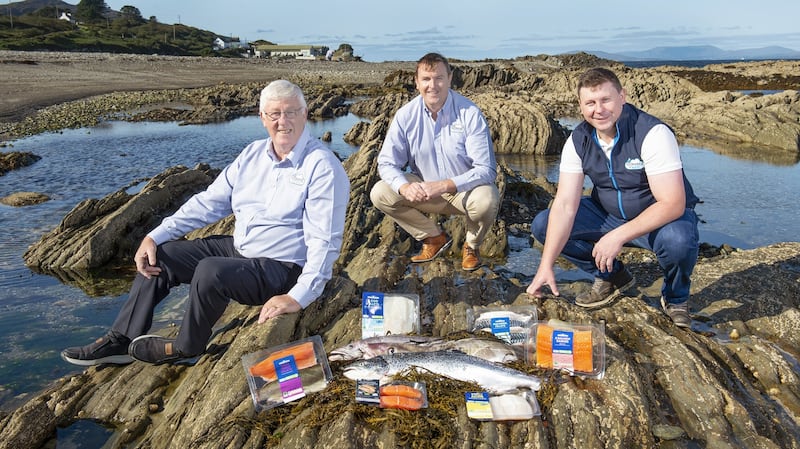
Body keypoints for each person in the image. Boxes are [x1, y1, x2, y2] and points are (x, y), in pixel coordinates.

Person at [61, 80, 350, 365]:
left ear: (306, 113)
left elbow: (323, 242)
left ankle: (187, 346)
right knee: (163, 255)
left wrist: (298, 297)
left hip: (282, 268)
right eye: (274, 113)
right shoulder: (252, 155)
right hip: (242, 252)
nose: (283, 121)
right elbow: (209, 202)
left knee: (210, 270)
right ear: (262, 118)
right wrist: (155, 235)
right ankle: (122, 339)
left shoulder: (322, 167)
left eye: (291, 112)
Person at [526, 67, 699, 328]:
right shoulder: (578, 140)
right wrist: (545, 265)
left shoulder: (652, 133)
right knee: (543, 224)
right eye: (591, 103)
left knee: (679, 241)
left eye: (606, 100)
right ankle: (611, 276)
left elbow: (673, 203)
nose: (599, 109)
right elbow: (564, 205)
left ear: (622, 96)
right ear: (581, 106)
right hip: (607, 215)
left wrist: (617, 236)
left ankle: (676, 298)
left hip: (658, 220)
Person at [370, 52, 499, 271]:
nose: (433, 85)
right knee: (380, 193)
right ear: (417, 82)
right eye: (426, 79)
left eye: (439, 78)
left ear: (450, 78)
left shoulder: (470, 113)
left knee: (488, 199)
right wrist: (404, 187)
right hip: (424, 192)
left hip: (464, 194)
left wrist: (444, 185)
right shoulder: (405, 116)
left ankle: (471, 245)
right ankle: (433, 238)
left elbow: (486, 170)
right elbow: (387, 163)